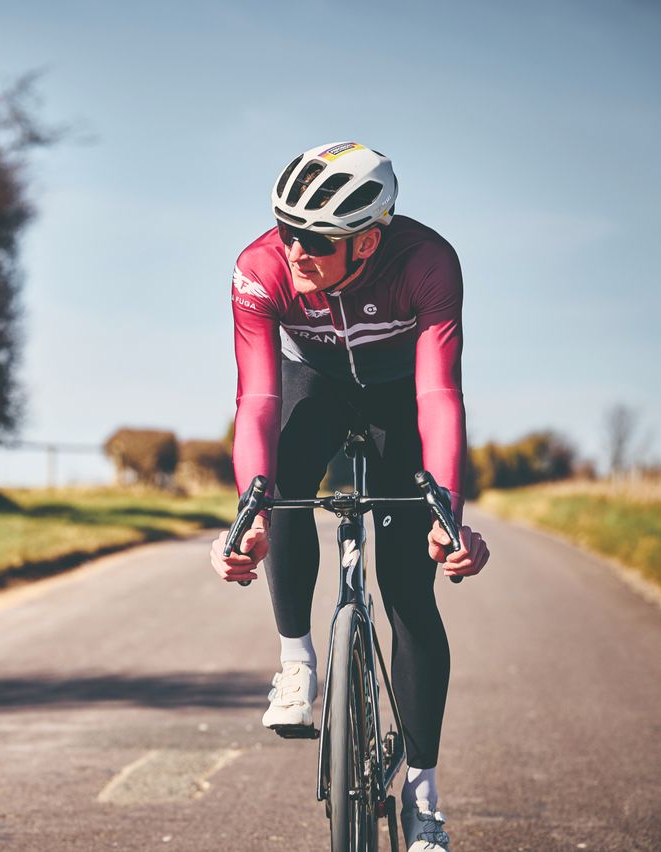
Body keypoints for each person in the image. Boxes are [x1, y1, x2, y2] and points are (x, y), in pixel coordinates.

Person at [209, 141, 491, 851]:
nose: (294, 249)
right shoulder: (258, 268)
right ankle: (297, 662)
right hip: (315, 385)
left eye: (314, 239)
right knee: (279, 490)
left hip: (400, 396)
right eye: (284, 228)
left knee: (407, 589)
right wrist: (249, 512)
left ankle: (425, 798)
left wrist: (448, 515)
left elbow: (438, 392)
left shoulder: (426, 262)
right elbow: (258, 399)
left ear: (368, 241)